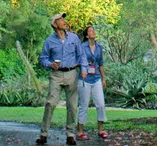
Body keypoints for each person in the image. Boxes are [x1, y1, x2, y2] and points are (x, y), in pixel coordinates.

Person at [36, 13, 88, 145]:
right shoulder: (49, 41)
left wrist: (84, 69)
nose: (64, 21)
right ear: (54, 24)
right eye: (60, 19)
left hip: (71, 73)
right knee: (50, 104)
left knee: (72, 106)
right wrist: (50, 64)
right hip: (56, 75)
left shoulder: (74, 38)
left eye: (64, 19)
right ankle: (43, 134)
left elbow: (81, 55)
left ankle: (71, 134)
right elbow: (43, 59)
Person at [76, 26, 108, 140]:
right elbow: (77, 61)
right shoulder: (82, 47)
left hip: (96, 78)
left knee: (101, 104)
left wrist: (104, 78)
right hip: (84, 79)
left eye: (94, 30)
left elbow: (101, 63)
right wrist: (84, 66)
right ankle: (80, 131)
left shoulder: (99, 47)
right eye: (90, 31)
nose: (93, 32)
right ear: (86, 35)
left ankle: (101, 130)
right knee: (84, 105)